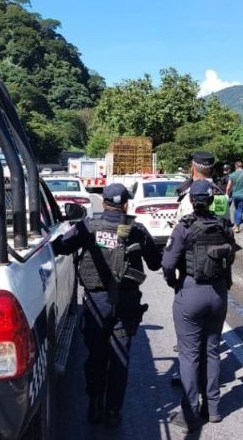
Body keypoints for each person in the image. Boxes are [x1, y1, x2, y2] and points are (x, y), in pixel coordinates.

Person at [52, 183, 162, 426]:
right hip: (126, 304)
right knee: (120, 357)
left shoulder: (88, 227)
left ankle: (94, 404)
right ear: (126, 204)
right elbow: (155, 264)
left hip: (97, 302)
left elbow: (60, 246)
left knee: (96, 355)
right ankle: (113, 411)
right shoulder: (137, 229)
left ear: (103, 203)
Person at [162, 180, 237, 431]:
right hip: (218, 294)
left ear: (192, 200)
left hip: (191, 291)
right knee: (212, 350)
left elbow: (168, 263)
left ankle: (190, 412)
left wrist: (173, 283)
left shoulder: (184, 228)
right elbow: (232, 256)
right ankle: (213, 408)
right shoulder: (224, 225)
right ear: (212, 199)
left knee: (189, 355)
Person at [176, 152, 229, 222]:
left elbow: (183, 227)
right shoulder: (222, 196)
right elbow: (226, 224)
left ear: (192, 170)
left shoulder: (190, 196)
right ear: (213, 171)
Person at [225, 161, 243, 232]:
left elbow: (228, 186)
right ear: (242, 166)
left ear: (236, 166)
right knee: (240, 210)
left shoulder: (232, 175)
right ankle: (237, 227)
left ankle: (234, 225)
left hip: (235, 195)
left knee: (236, 209)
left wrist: (227, 193)